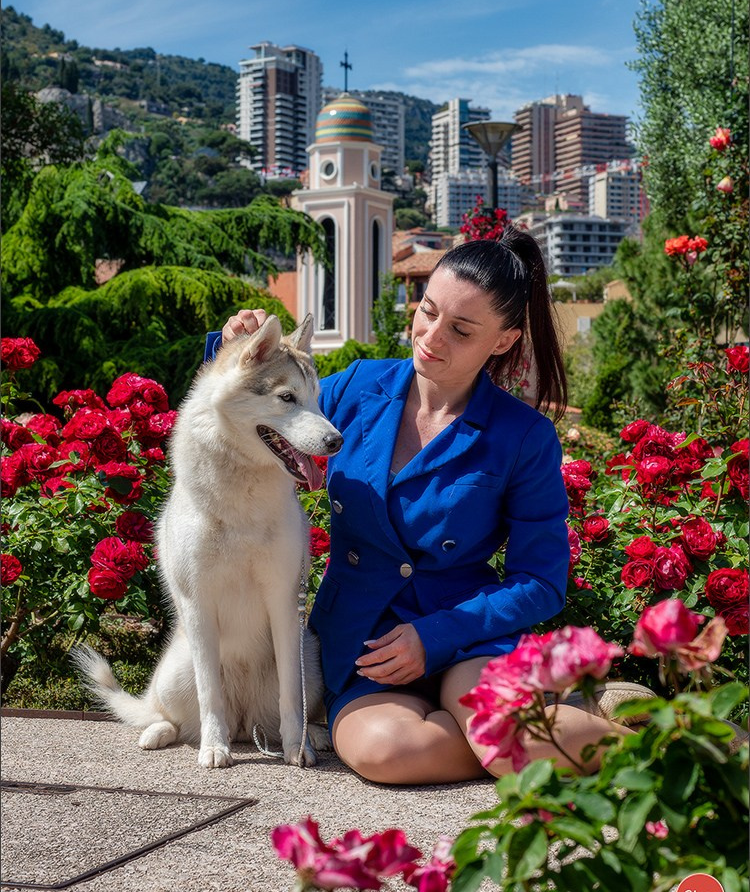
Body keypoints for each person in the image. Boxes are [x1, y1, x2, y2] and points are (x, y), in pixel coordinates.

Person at [209, 226, 641, 785]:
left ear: (504, 340)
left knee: (502, 731)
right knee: (388, 754)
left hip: (467, 633)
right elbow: (257, 409)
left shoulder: (522, 434)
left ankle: (681, 744)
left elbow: (541, 581)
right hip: (364, 638)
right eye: (427, 311)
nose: (432, 337)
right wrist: (231, 351)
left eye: (461, 329)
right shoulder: (355, 389)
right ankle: (544, 731)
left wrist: (435, 634)